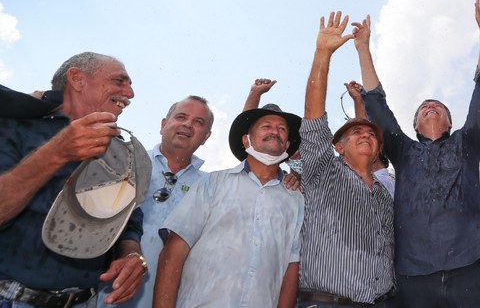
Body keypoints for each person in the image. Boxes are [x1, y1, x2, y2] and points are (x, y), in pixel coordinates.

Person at [355, 0, 480, 308]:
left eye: (438, 107)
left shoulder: (467, 144)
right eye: (423, 108)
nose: (430, 107)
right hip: (414, 276)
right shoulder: (403, 152)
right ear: (415, 126)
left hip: (469, 270)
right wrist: (363, 50)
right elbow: (377, 107)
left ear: (449, 122)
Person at [0, 52, 147, 307]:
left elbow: (129, 221)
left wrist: (132, 254)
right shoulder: (14, 126)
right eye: (120, 81)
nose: (130, 93)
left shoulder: (121, 155)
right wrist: (57, 152)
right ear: (77, 80)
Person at [153, 104, 304, 308]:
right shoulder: (213, 183)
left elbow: (291, 267)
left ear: (287, 145)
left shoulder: (295, 199)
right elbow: (174, 250)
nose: (275, 132)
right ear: (246, 140)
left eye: (282, 129)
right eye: (266, 126)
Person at [297, 11, 395, 307]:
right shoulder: (323, 172)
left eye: (371, 134)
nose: (364, 135)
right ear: (338, 147)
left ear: (379, 149)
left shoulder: (385, 195)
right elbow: (313, 119)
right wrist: (322, 54)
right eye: (355, 133)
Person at [97, 96, 214, 308]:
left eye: (198, 122)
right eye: (181, 117)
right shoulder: (126, 161)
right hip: (106, 293)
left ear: (206, 137)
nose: (188, 124)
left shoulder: (211, 186)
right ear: (163, 125)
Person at [345, 80, 395, 197]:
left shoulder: (388, 185)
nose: (364, 137)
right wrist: (358, 100)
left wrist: (359, 101)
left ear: (379, 148)